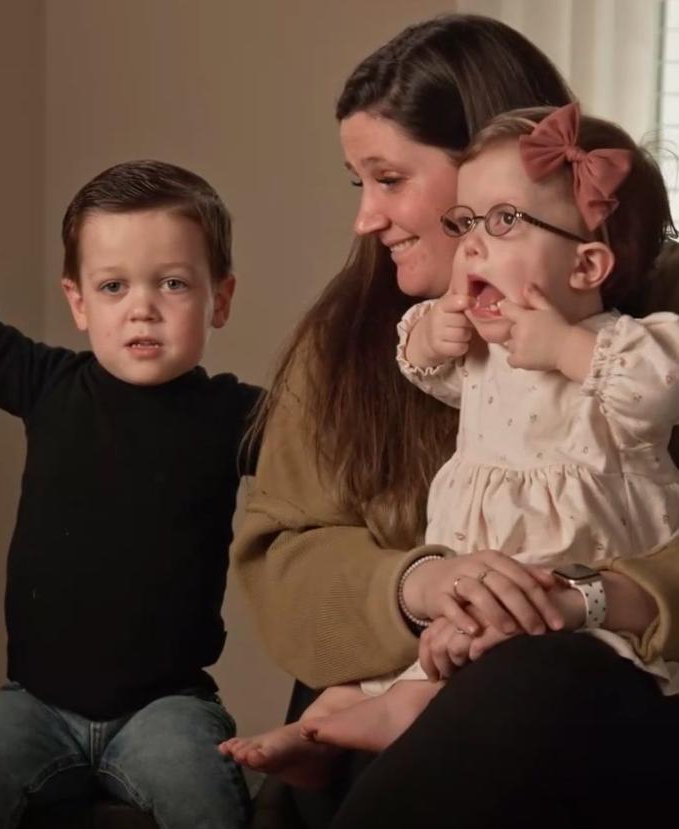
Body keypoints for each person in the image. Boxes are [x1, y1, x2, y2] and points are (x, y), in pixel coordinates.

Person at [227, 14, 679, 828]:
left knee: (533, 679)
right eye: (355, 182)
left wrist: (590, 597)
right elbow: (281, 551)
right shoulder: (363, 342)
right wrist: (423, 584)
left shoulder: (645, 327)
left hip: (596, 683)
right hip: (425, 659)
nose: (366, 216)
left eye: (389, 178)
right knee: (332, 716)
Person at [0, 152, 258, 827]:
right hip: (33, 702)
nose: (143, 309)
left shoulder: (235, 416)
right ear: (78, 301)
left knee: (208, 793)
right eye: (114, 287)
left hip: (169, 705)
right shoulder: (49, 386)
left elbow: (326, 442)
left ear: (222, 298)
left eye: (174, 284)